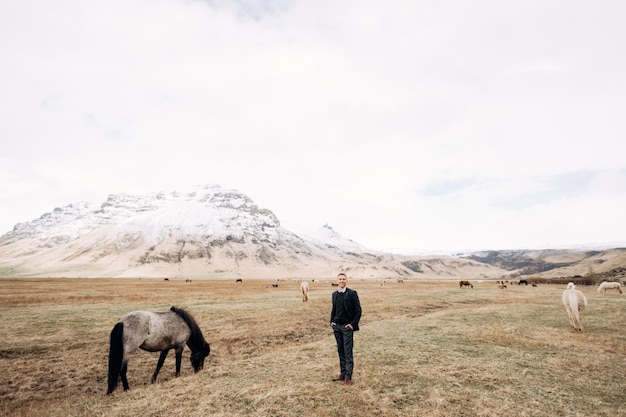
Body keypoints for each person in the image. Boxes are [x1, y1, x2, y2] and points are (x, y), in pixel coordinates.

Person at [329, 272, 362, 385]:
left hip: (347, 327)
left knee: (348, 352)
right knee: (340, 350)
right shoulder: (334, 294)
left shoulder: (352, 293)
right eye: (340, 279)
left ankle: (348, 377)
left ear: (346, 281)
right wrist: (332, 322)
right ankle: (342, 374)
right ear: (337, 281)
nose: (342, 281)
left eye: (344, 279)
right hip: (337, 327)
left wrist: (352, 324)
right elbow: (334, 309)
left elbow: (358, 311)